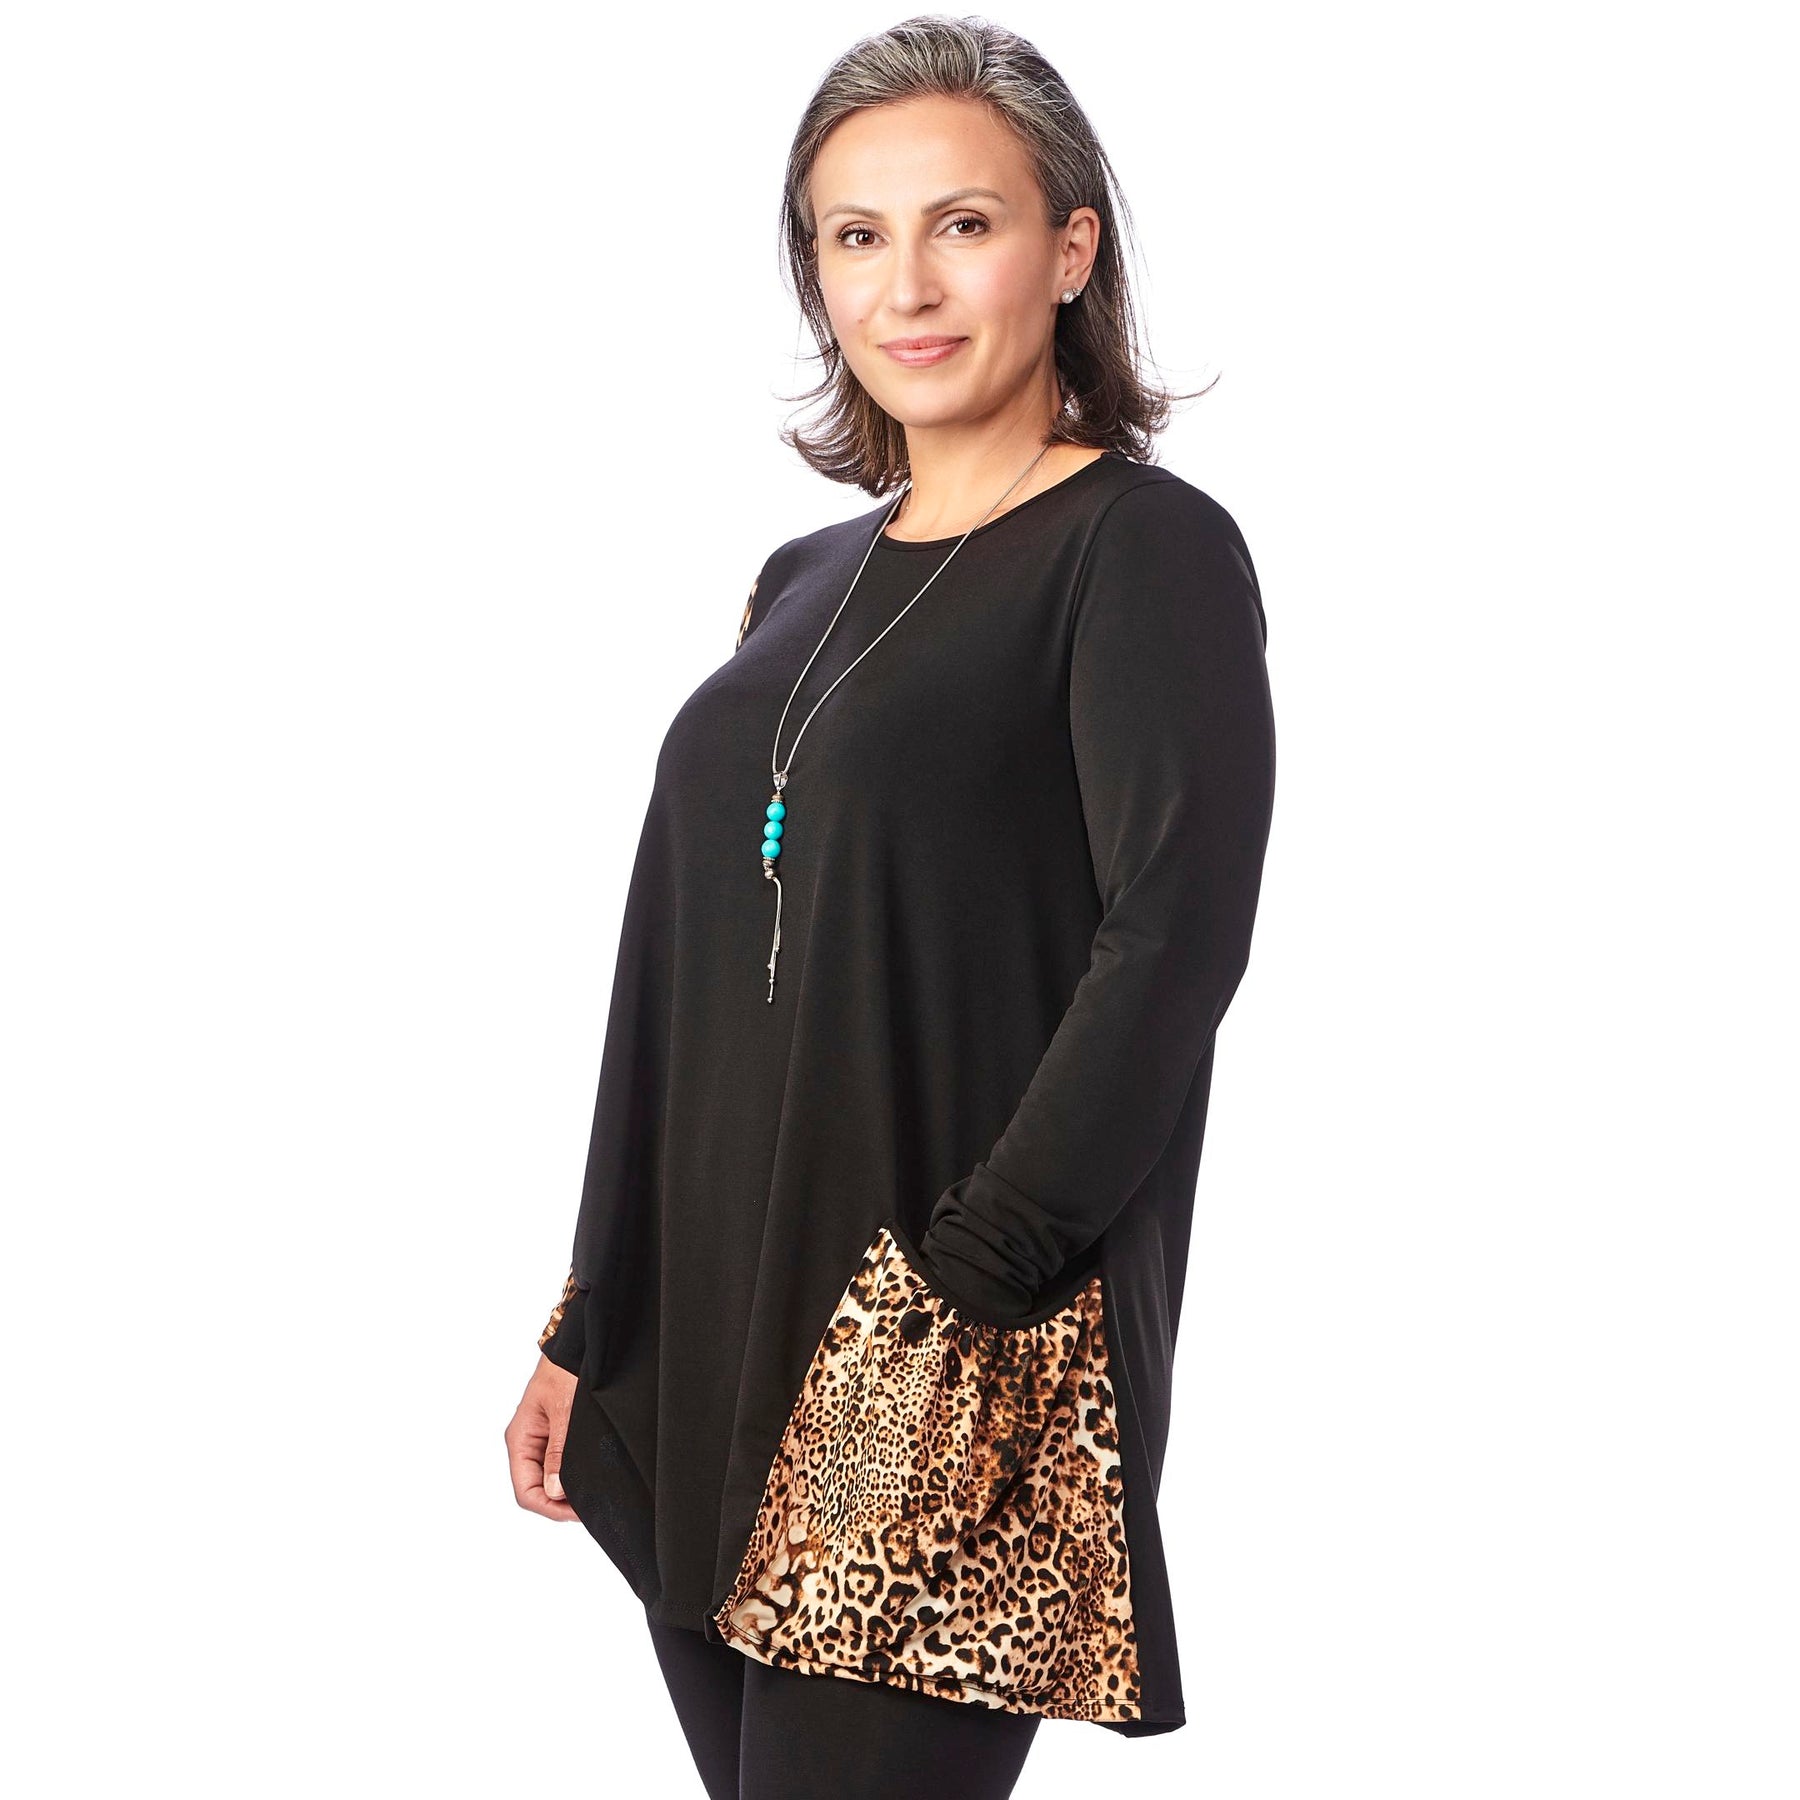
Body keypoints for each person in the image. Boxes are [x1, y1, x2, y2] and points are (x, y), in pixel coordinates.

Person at [504, 17, 1278, 1798]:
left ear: (1070, 250)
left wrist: (966, 1286)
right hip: (705, 1330)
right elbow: (675, 969)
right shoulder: (803, 574)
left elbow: (1173, 941)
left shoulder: (1141, 551)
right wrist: (587, 1311)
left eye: (964, 225)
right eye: (856, 236)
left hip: (930, 1344)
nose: (906, 286)